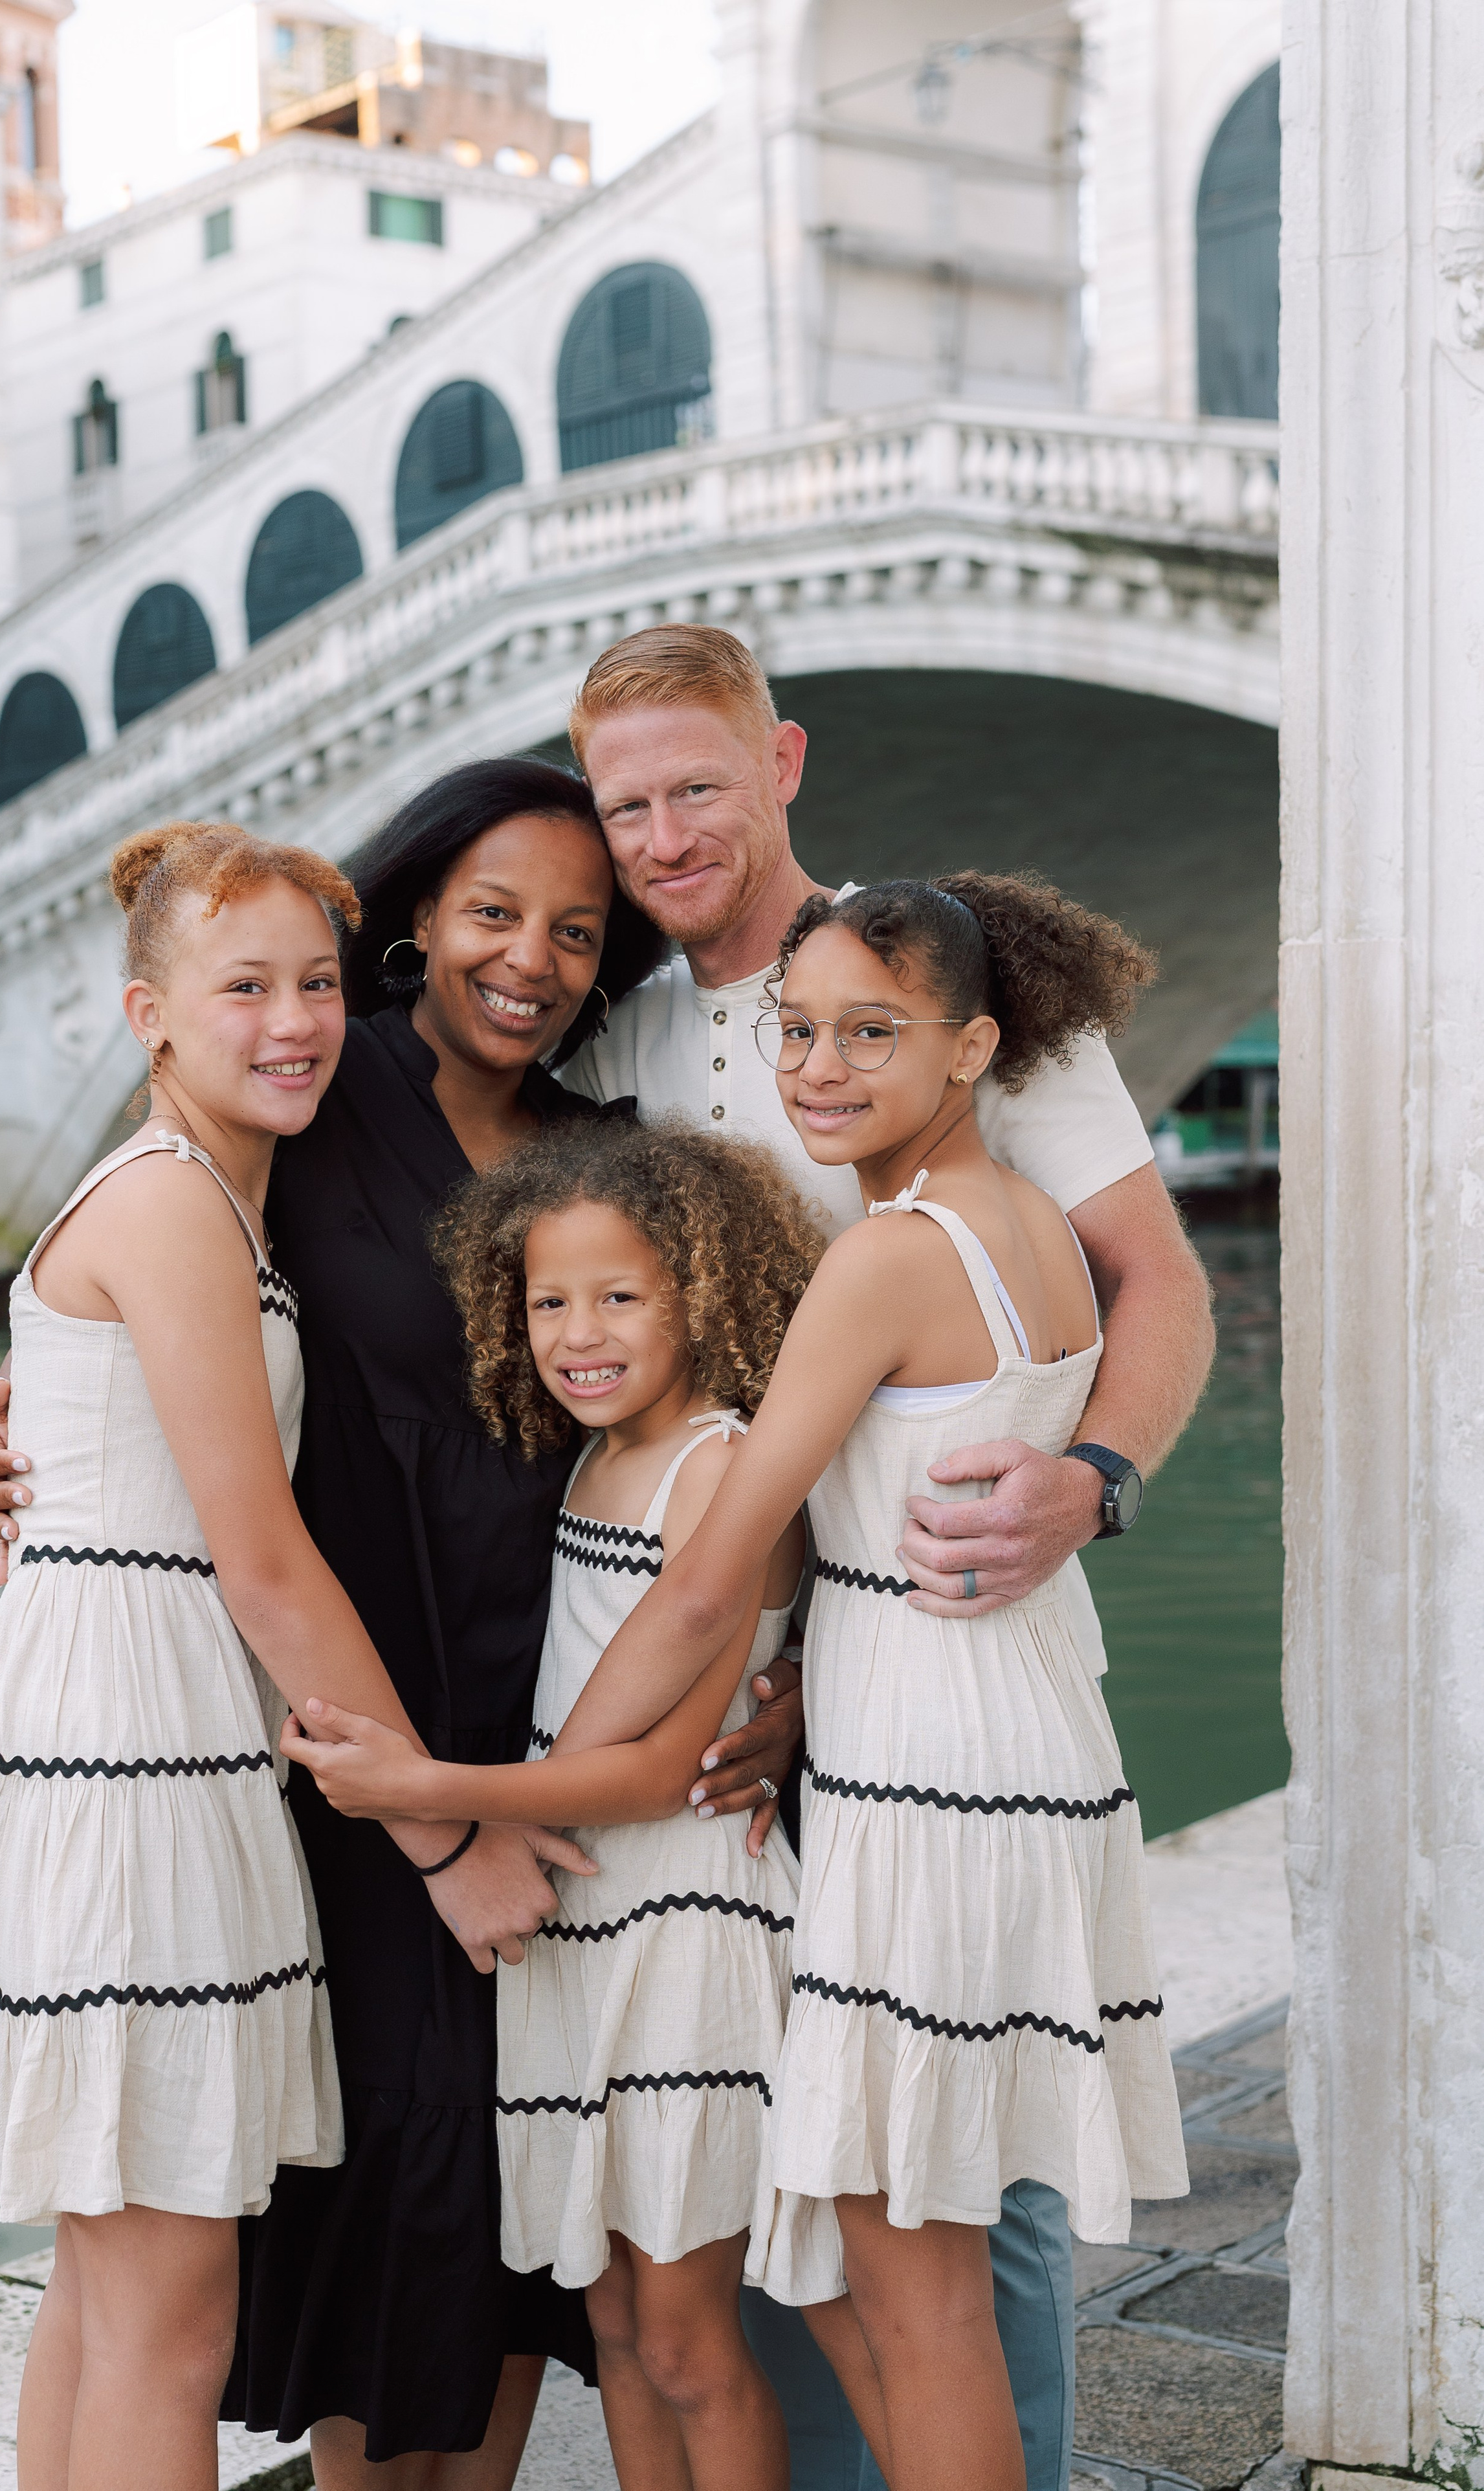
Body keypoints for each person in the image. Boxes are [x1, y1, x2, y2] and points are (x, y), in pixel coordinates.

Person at [0, 761, 804, 2488]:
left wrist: (785, 1670)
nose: (534, 959)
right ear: (414, 915)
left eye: (580, 933)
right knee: (358, 2199)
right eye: (495, 911)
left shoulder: (612, 1156)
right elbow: (147, 1334)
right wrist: (27, 1433)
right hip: (336, 1750)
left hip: (546, 1739)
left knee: (495, 2218)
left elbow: (726, 1437)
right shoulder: (305, 1090)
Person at [296, 875, 1189, 2491]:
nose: (820, 1069)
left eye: (868, 1034)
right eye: (796, 1033)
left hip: (928, 1768)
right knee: (929, 2266)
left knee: (913, 2296)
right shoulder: (1031, 1240)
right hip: (1022, 1727)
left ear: (974, 1047)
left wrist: (517, 1779)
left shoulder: (886, 1257)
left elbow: (714, 1569)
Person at [557, 627, 1215, 2490]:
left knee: (952, 2179)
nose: (668, 831)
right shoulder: (624, 1034)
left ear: (783, 761)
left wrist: (1095, 1477)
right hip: (780, 1663)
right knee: (813, 2156)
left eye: (699, 783)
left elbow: (1151, 1282)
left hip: (929, 1649)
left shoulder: (953, 984)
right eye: (629, 804)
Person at [0, 822, 427, 2491]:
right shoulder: (175, 1208)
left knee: (107, 2300)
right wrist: (435, 1821)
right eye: (242, 984)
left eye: (317, 981)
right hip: (129, 1762)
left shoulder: (202, 1202)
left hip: (130, 1737)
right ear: (147, 1013)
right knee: (172, 2320)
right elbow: (259, 1559)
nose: (295, 1019)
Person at [294, 1115, 824, 2491]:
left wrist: (429, 1791)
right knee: (608, 2313)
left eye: (619, 1295)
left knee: (690, 2335)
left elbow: (660, 1770)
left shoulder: (721, 1466)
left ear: (700, 1293)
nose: (577, 1331)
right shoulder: (593, 1458)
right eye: (546, 1300)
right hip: (585, 1931)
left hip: (680, 1933)